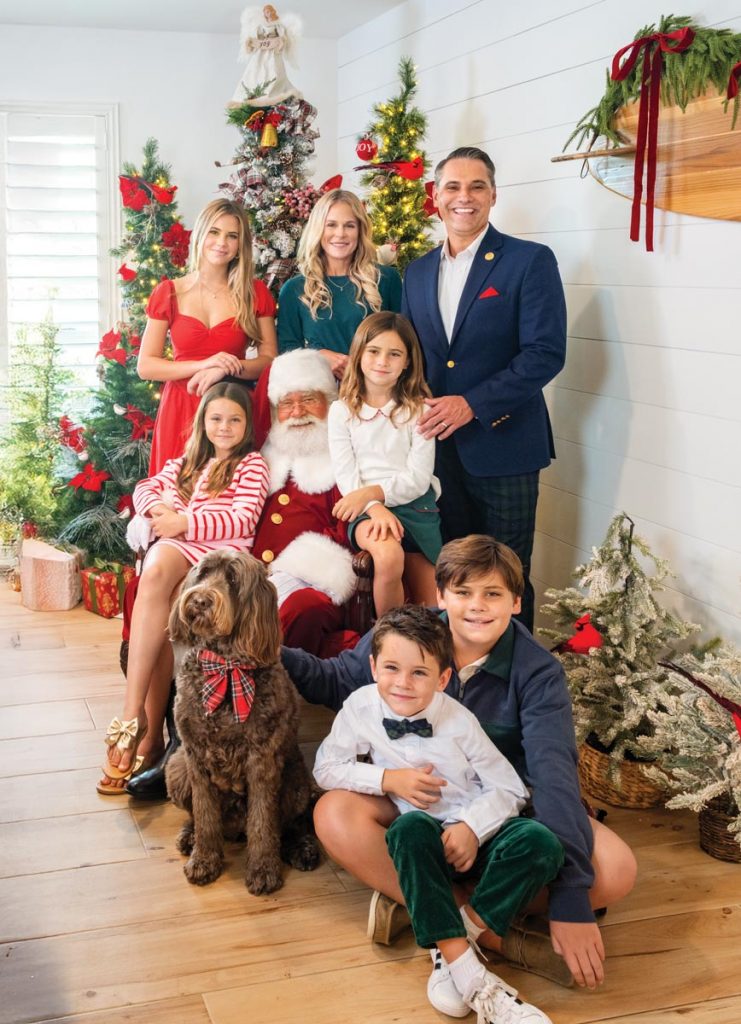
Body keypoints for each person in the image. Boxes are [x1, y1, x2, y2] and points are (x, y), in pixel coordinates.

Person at [283, 535, 637, 991]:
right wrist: (267, 648)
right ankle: (491, 936)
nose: (477, 607)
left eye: (492, 594)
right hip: (414, 800)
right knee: (333, 813)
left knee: (616, 868)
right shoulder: (408, 634)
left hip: (498, 807)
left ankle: (419, 901)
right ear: (440, 595)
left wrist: (571, 899)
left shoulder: (537, 672)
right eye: (463, 592)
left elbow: (552, 777)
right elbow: (333, 681)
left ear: (515, 602)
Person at [314, 605, 561, 1023]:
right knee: (409, 829)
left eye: (419, 673)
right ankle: (478, 985)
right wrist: (387, 779)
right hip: (420, 842)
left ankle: (455, 935)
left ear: (443, 678)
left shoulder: (459, 721)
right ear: (373, 666)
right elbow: (326, 768)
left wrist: (471, 827)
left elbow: (510, 788)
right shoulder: (360, 707)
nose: (402, 684)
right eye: (391, 668)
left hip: (473, 838)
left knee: (541, 844)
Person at [401, 146, 567, 630]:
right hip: (439, 454)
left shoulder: (529, 261)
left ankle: (516, 692)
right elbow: (412, 357)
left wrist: (472, 404)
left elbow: (544, 353)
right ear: (435, 197)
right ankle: (459, 682)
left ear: (493, 196)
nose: (464, 197)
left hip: (506, 446)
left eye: (477, 187)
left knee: (506, 579)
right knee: (453, 575)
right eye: (453, 186)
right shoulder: (417, 272)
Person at [98, 383, 269, 794]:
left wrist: (186, 522)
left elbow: (243, 519)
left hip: (218, 558)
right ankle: (134, 711)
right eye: (216, 419)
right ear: (203, 421)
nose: (224, 427)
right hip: (177, 547)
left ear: (246, 425)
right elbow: (145, 488)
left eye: (234, 419)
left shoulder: (251, 466)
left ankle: (147, 731)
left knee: (171, 606)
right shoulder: (189, 460)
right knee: (155, 573)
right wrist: (161, 511)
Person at [138, 198, 277, 474]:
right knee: (174, 499)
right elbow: (146, 366)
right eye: (214, 232)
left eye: (232, 236)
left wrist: (227, 369)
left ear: (240, 245)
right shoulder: (169, 292)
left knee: (225, 504)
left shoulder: (255, 292)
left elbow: (270, 359)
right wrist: (205, 365)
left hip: (231, 410)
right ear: (200, 234)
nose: (221, 242)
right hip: (181, 408)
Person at [328, 311, 442, 615]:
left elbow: (418, 478)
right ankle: (386, 638)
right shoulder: (341, 412)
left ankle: (423, 654)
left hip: (416, 508)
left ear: (407, 362)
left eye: (394, 354)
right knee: (389, 556)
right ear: (359, 354)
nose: (382, 361)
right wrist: (372, 505)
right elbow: (346, 475)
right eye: (374, 351)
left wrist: (373, 493)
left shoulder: (418, 411)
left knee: (434, 602)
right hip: (365, 511)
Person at [251, 348, 359, 655]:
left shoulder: (342, 462)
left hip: (314, 581)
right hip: (252, 574)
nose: (297, 412)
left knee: (302, 607)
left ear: (329, 403)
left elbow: (347, 530)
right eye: (287, 403)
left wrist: (290, 571)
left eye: (309, 399)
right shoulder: (262, 459)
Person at [277, 189, 401, 378]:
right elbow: (286, 351)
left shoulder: (386, 279)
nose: (340, 234)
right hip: (320, 393)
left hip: (376, 391)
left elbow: (404, 341)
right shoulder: (294, 289)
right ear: (318, 229)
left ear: (360, 231)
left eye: (349, 225)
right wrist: (318, 356)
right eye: (331, 225)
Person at [229, 5, 302, 108]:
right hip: (261, 51)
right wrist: (252, 43)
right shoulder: (261, 26)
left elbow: (282, 37)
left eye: (269, 11)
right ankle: (255, 92)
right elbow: (257, 37)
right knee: (257, 69)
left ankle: (274, 92)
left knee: (274, 69)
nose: (267, 13)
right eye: (265, 12)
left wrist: (280, 43)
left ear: (273, 11)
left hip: (272, 51)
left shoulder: (278, 25)